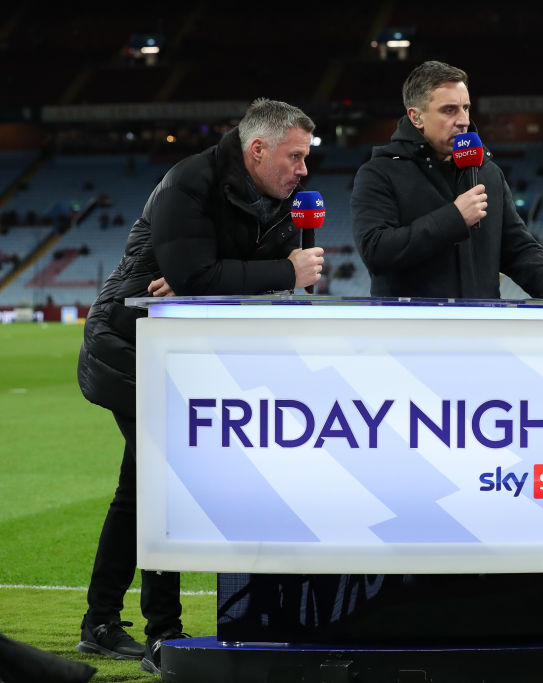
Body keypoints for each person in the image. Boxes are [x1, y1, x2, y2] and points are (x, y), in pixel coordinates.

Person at [75, 98, 324, 675]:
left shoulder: (281, 200)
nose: (304, 169)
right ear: (256, 150)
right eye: (294, 155)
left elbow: (217, 279)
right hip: (130, 343)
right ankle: (162, 632)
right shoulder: (190, 181)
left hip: (183, 348)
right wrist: (278, 271)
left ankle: (103, 623)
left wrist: (228, 280)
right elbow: (198, 275)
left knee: (141, 487)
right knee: (162, 479)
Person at [350, 60, 543, 301]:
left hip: (480, 328)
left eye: (466, 108)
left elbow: (516, 248)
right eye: (450, 110)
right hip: (411, 330)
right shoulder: (379, 173)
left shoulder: (486, 172)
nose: (463, 120)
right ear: (416, 117)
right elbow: (376, 251)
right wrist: (454, 218)